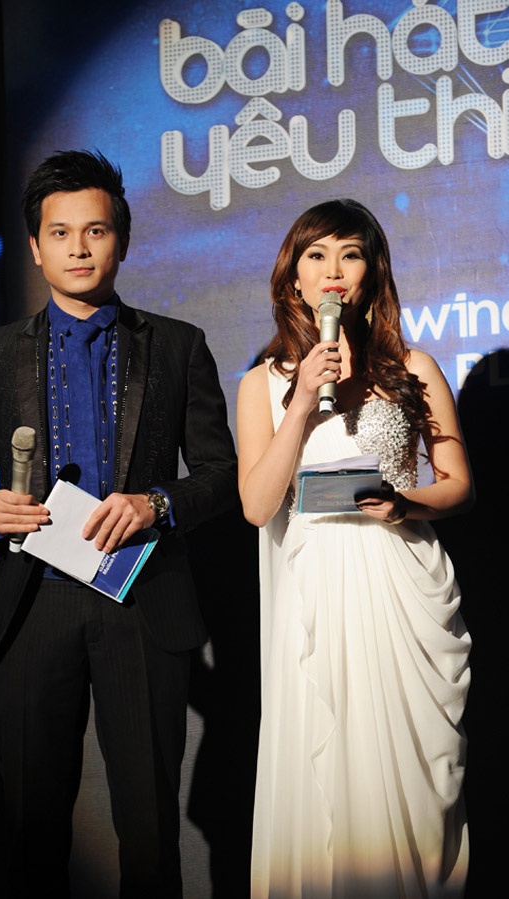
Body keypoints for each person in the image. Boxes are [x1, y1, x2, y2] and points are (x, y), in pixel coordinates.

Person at [0, 148, 239, 899]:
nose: (79, 247)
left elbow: (220, 473)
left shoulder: (178, 344)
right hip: (30, 602)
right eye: (61, 232)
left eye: (96, 231)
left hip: (139, 594)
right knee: (33, 832)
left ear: (122, 241)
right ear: (35, 247)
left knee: (150, 831)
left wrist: (155, 503)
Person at [236, 198, 474, 898]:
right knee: (326, 766)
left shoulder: (414, 365)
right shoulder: (260, 383)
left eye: (350, 254)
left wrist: (405, 503)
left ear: (372, 272)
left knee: (407, 775)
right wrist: (301, 399)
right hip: (314, 588)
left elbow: (458, 483)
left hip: (398, 575)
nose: (333, 270)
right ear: (294, 277)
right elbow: (256, 506)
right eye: (316, 255)